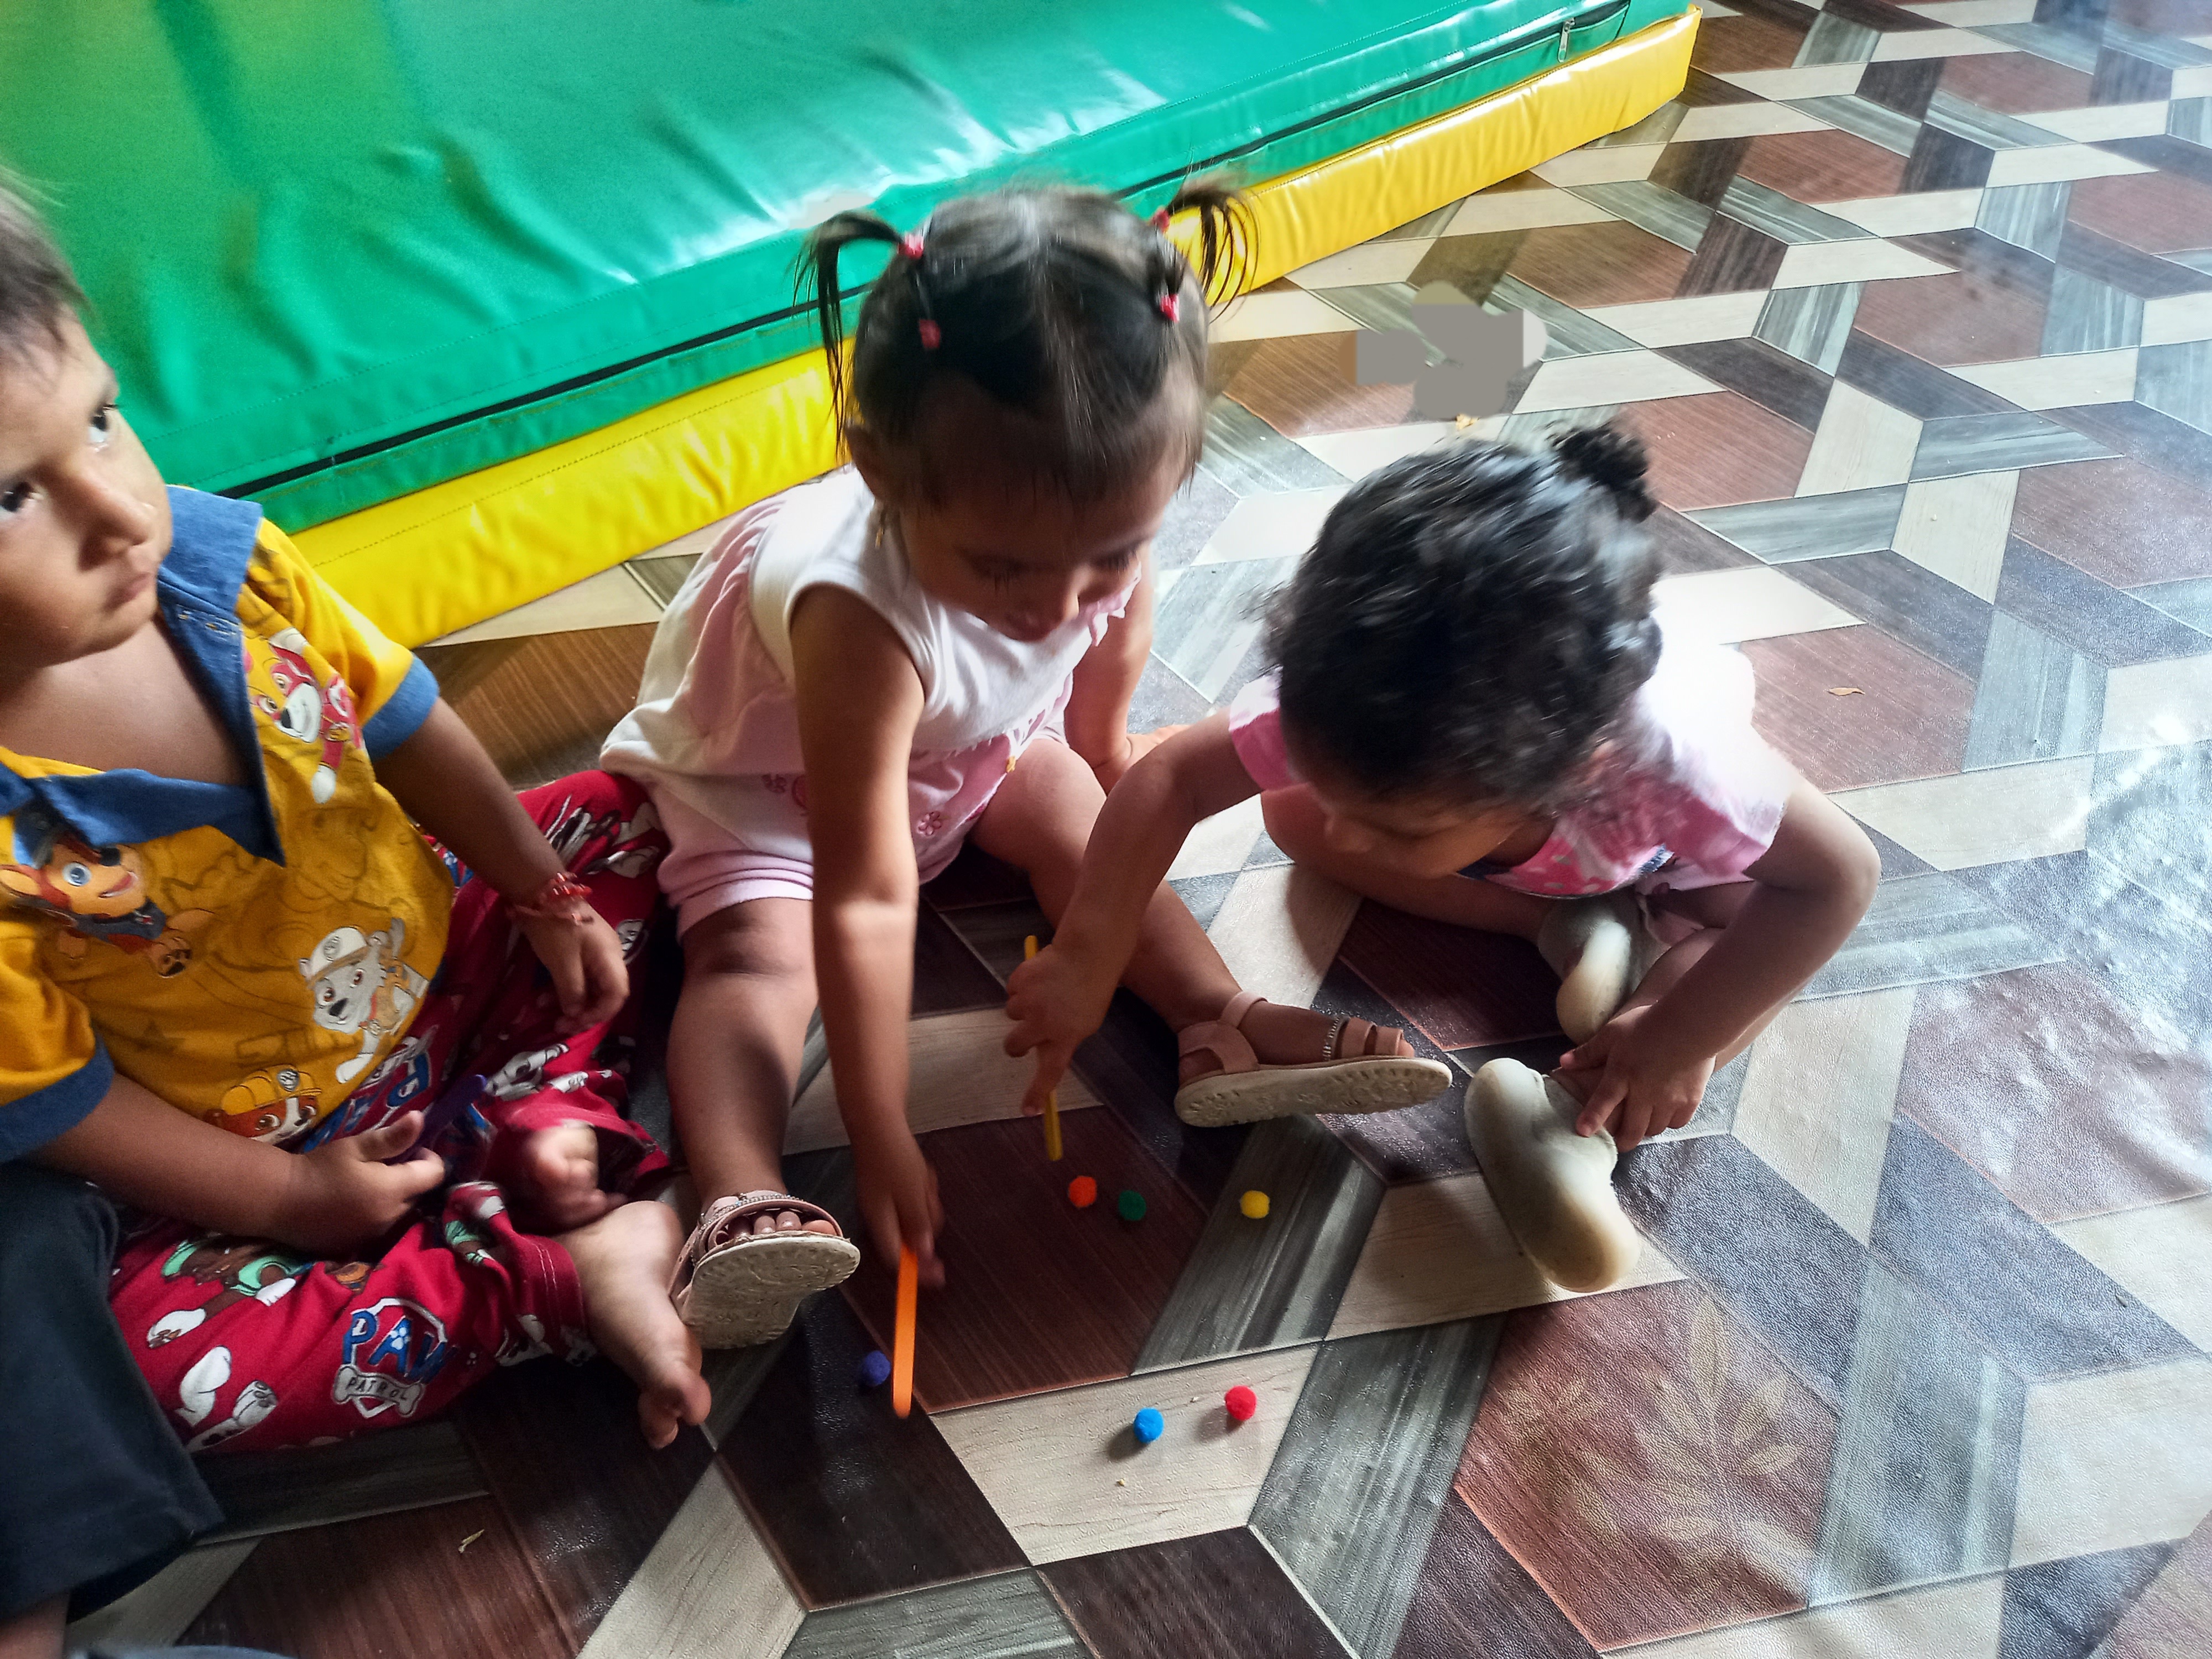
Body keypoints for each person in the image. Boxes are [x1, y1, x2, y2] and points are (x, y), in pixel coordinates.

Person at [0, 181, 706, 1659]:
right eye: (12, 499)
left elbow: (415, 730)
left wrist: (537, 894)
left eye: (105, 420)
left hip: (451, 974)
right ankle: (550, 1272)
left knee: (629, 813)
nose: (119, 513)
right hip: (246, 1150)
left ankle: (545, 1116)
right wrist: (283, 1204)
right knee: (164, 1378)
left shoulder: (226, 564)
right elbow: (59, 1102)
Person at [602, 183, 1451, 1347]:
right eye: (1004, 571)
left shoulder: (1086, 529)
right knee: (755, 955)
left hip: (968, 751)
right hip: (777, 794)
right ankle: (738, 1192)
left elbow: (1113, 644)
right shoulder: (854, 613)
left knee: (1085, 824)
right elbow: (865, 893)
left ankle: (1220, 1018)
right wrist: (878, 1124)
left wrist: (1100, 759)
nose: (1056, 606)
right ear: (879, 470)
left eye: (1110, 552)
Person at [1005, 428, 1881, 1292]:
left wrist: (1680, 1040)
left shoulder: (1680, 769)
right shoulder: (1359, 696)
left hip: (1665, 862)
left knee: (1728, 953)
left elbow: (1840, 878)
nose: (1352, 838)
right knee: (1292, 814)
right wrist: (1088, 951)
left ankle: (1573, 1123)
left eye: (1400, 829)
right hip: (1544, 853)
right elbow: (1170, 778)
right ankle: (1557, 923)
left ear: (1565, 781)